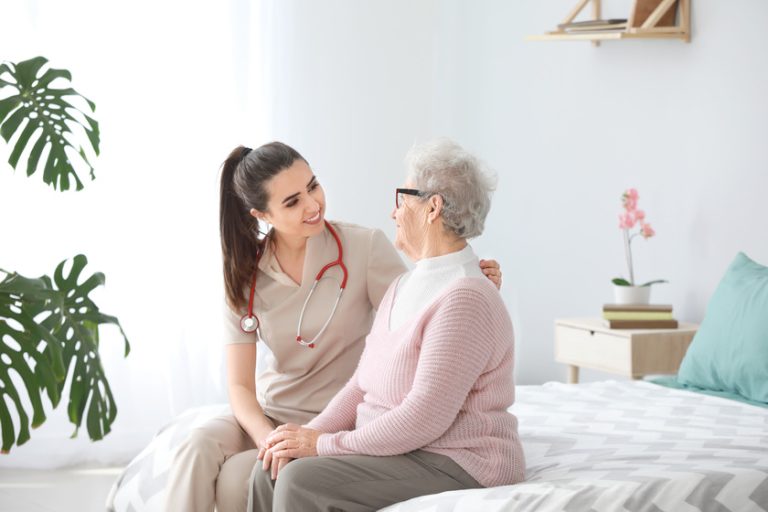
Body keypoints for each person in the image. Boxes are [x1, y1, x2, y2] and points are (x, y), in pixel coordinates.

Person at [165, 141, 503, 511]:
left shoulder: (363, 247)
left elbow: (422, 318)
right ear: (262, 214)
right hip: (275, 413)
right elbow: (240, 386)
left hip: (335, 414)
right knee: (195, 446)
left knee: (238, 479)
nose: (312, 205)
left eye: (313, 186)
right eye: (292, 202)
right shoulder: (245, 275)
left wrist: (468, 279)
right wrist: (268, 439)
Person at [251, 138, 525, 512]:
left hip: (456, 458)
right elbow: (360, 385)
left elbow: (424, 419)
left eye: (402, 199)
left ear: (433, 207)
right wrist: (309, 434)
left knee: (300, 479)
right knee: (271, 468)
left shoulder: (467, 297)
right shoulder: (402, 286)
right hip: (403, 449)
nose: (394, 213)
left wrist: (323, 445)